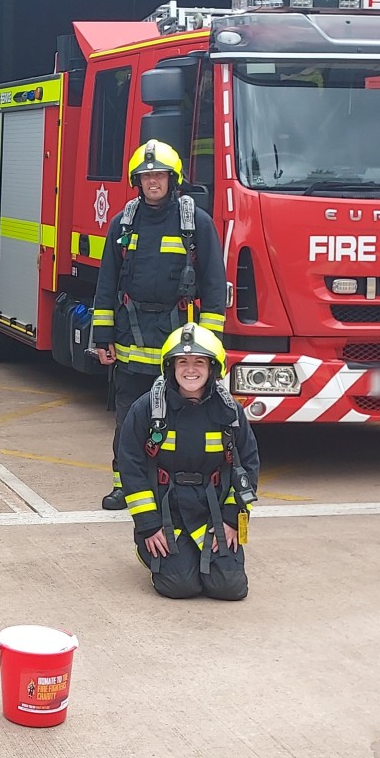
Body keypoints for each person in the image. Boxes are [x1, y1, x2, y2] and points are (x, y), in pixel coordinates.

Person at [91, 139, 228, 511]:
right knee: (129, 417)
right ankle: (125, 484)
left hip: (179, 343)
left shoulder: (195, 223)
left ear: (173, 178)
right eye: (146, 176)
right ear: (138, 181)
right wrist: (102, 338)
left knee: (178, 417)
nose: (153, 182)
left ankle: (169, 482)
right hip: (131, 337)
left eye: (159, 175)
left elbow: (215, 287)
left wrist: (210, 346)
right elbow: (107, 283)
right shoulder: (124, 223)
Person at [114, 322, 260, 601]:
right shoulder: (147, 409)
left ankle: (201, 558)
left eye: (199, 362)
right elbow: (130, 465)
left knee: (229, 588)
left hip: (213, 512)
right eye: (182, 361)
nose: (190, 369)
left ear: (213, 368)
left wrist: (231, 519)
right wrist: (148, 525)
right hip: (168, 512)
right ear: (170, 366)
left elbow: (248, 466)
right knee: (180, 586)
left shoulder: (229, 412)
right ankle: (147, 552)